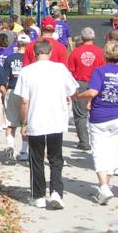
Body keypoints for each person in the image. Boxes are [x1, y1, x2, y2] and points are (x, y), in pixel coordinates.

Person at [15, 38, 79, 209]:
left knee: (35, 158)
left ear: (34, 54)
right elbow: (73, 90)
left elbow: (24, 101)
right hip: (56, 118)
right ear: (50, 53)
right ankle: (57, 191)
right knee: (56, 157)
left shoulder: (27, 71)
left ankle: (38, 195)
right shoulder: (60, 69)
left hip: (35, 118)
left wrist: (23, 123)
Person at [75, 41, 118, 205]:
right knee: (114, 152)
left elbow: (93, 91)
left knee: (99, 151)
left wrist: (79, 96)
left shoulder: (100, 71)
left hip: (100, 116)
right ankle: (106, 186)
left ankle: (103, 186)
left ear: (106, 55)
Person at [67, 26, 103, 151]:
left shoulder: (75, 52)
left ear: (82, 38)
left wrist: (71, 88)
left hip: (80, 84)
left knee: (80, 115)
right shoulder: (100, 52)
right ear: (94, 38)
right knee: (97, 113)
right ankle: (97, 140)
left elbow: (70, 72)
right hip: (97, 84)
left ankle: (84, 141)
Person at [3, 34, 30, 161]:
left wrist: (4, 94)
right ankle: (24, 151)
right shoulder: (31, 59)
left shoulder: (9, 59)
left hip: (13, 89)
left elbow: (5, 79)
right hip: (27, 92)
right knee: (26, 123)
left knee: (11, 123)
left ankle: (10, 146)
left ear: (16, 44)